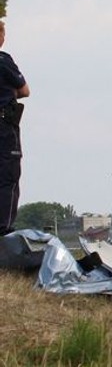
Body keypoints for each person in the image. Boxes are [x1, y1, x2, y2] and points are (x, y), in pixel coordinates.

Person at [0, 20, 30, 234]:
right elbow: (25, 90)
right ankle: (3, 230)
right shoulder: (3, 61)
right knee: (8, 176)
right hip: (4, 127)